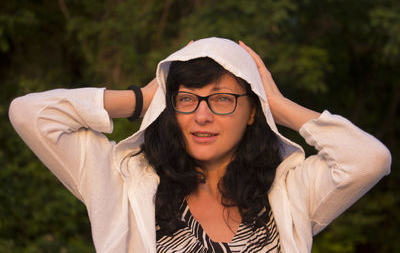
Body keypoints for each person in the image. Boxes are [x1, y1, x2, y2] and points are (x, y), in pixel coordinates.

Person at [9, 37, 391, 253]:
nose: (202, 116)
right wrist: (143, 98)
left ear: (252, 111)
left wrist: (277, 104)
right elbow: (30, 114)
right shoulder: (123, 180)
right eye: (187, 99)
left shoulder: (289, 191)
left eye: (223, 99)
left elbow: (369, 159)